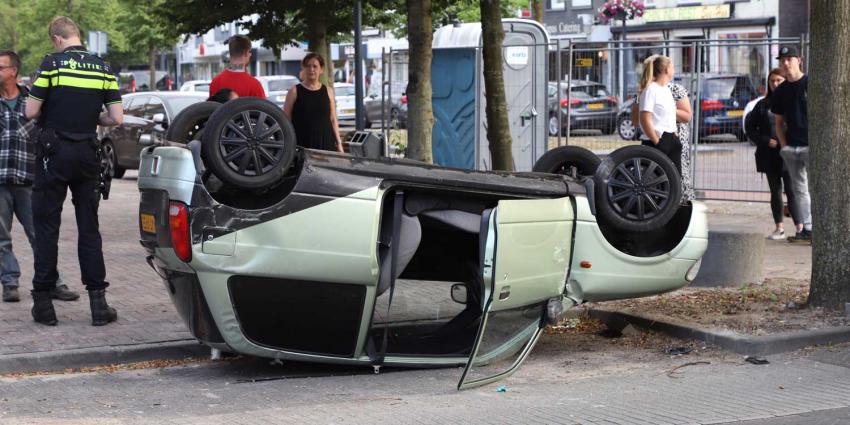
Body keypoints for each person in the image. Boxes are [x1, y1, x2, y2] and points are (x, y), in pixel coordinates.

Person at [24, 16, 124, 326]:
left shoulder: (52, 64)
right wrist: (92, 119)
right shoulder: (103, 67)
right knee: (89, 228)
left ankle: (44, 306)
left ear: (56, 38)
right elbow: (116, 117)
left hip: (53, 154)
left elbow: (31, 111)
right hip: (87, 154)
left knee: (46, 227)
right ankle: (98, 306)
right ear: (77, 35)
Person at [0, 50, 78, 303]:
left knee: (40, 234)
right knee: (2, 238)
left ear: (14, 71)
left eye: (1, 67)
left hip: (30, 180)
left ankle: (53, 281)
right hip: (0, 181)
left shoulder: (33, 102)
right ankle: (10, 282)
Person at [746, 68, 802, 240]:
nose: (775, 84)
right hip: (769, 155)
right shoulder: (762, 104)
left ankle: (800, 228)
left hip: (788, 153)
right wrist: (765, 140)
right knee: (775, 191)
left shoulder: (793, 101)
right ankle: (779, 228)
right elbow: (750, 128)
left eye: (779, 80)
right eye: (772, 81)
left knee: (792, 191)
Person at [771, 45, 811, 243]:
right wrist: (785, 146)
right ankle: (808, 228)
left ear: (799, 60)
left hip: (812, 146)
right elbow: (779, 122)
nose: (785, 63)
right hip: (792, 146)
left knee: (815, 187)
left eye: (789, 59)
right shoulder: (781, 91)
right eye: (782, 60)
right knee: (799, 189)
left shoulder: (810, 83)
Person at [283, 53, 344, 152]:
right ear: (303, 68)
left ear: (321, 69)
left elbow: (333, 119)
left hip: (326, 143)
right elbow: (286, 119)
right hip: (302, 144)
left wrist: (339, 143)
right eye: (308, 66)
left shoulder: (328, 91)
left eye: (315, 66)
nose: (311, 69)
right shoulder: (294, 91)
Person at [638, 54, 681, 173]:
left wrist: (674, 135)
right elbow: (645, 119)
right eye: (672, 67)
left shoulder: (666, 90)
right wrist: (657, 142)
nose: (674, 70)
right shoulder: (650, 90)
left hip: (670, 138)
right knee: (656, 179)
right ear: (666, 70)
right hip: (657, 141)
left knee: (675, 180)